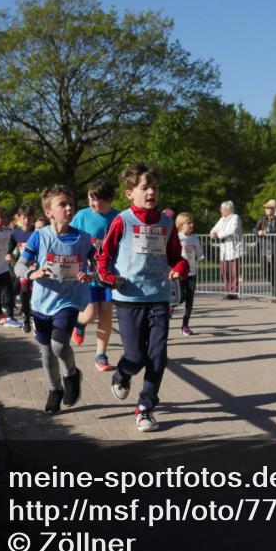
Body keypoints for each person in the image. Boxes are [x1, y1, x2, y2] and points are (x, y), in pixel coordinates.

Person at [97, 162, 188, 433]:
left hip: (158, 297)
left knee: (158, 357)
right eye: (144, 187)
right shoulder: (121, 221)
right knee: (135, 356)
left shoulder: (167, 222)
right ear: (129, 193)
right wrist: (109, 277)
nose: (151, 193)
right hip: (128, 298)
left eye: (155, 188)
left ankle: (145, 407)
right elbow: (103, 256)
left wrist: (180, 269)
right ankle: (123, 373)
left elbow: (175, 257)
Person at [15, 186, 95, 414]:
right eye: (62, 204)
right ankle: (54, 389)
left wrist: (90, 274)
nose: (69, 208)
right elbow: (20, 265)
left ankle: (71, 374)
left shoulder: (83, 238)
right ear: (49, 212)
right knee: (46, 351)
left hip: (69, 300)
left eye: (71, 203)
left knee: (59, 344)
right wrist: (33, 274)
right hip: (42, 303)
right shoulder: (39, 237)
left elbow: (98, 264)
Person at [70, 179, 121, 371]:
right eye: (89, 198)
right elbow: (72, 238)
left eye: (95, 199)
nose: (91, 203)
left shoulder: (119, 217)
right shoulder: (82, 215)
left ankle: (101, 355)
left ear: (108, 199)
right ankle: (79, 323)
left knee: (106, 315)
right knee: (91, 314)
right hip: (88, 274)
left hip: (109, 275)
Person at [175, 212, 205, 335]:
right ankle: (170, 309)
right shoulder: (177, 238)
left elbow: (199, 250)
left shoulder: (194, 238)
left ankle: (185, 326)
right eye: (188, 223)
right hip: (179, 274)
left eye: (192, 222)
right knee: (179, 298)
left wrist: (202, 257)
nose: (191, 225)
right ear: (181, 225)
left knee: (189, 300)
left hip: (192, 273)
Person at [10, 203, 37, 333]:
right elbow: (9, 248)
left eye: (29, 218)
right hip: (24, 269)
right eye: (24, 218)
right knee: (24, 292)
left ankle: (38, 319)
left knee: (36, 294)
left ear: (33, 218)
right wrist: (8, 254)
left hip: (38, 269)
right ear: (19, 218)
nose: (26, 221)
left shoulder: (37, 232)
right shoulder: (15, 233)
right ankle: (26, 318)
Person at [253, 199, 276, 300]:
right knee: (266, 272)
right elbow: (254, 228)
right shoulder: (263, 218)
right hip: (264, 249)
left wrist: (267, 232)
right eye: (266, 208)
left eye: (269, 207)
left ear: (274, 209)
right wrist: (258, 232)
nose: (266, 209)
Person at [210, 201, 243, 300]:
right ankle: (228, 291)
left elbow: (232, 231)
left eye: (222, 209)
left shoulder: (235, 217)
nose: (221, 211)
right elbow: (213, 230)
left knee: (234, 272)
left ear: (228, 210)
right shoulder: (222, 219)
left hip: (234, 249)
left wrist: (219, 234)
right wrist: (214, 233)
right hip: (224, 250)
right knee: (225, 271)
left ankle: (234, 291)